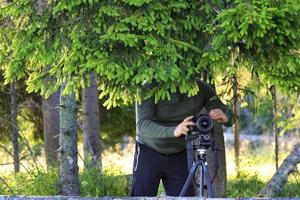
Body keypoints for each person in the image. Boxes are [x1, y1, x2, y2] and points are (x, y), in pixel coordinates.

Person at [131, 79, 233, 197]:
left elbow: (229, 114)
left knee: (185, 198)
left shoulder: (200, 88)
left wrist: (226, 117)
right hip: (149, 151)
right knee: (141, 197)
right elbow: (142, 125)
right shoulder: (148, 87)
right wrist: (174, 131)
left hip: (179, 154)